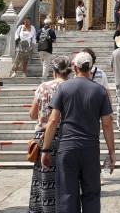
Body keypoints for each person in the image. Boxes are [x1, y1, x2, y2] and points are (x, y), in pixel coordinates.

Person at [39, 51, 116, 213]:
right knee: (92, 194)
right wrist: (111, 152)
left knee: (67, 194)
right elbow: (107, 124)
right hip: (90, 148)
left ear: (75, 67)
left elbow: (53, 120)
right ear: (91, 67)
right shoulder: (100, 90)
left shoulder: (64, 87)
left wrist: (45, 149)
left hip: (67, 147)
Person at [28, 57, 72, 213]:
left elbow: (33, 114)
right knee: (66, 178)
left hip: (43, 137)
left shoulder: (43, 87)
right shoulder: (71, 88)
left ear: (54, 72)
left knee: (44, 178)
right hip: (66, 136)